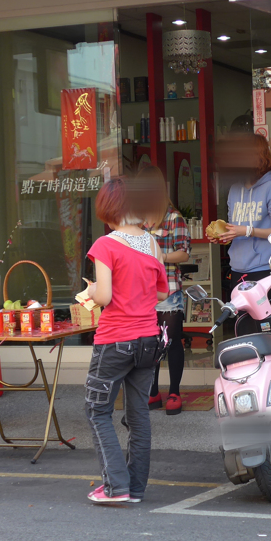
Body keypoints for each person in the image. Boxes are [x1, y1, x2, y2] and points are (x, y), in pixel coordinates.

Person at [83, 176, 168, 504]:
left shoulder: (105, 245)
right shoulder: (152, 244)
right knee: (138, 415)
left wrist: (91, 290)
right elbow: (162, 292)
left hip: (115, 340)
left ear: (108, 208)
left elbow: (103, 295)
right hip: (148, 340)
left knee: (97, 411)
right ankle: (134, 488)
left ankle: (116, 486)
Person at [139, 165, 191, 415]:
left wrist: (159, 257)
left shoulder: (173, 217)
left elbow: (184, 253)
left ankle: (174, 392)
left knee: (172, 343)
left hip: (169, 292)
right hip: (143, 292)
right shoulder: (136, 220)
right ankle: (152, 392)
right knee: (150, 343)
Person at [211, 133, 271, 288]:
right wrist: (223, 236)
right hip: (237, 269)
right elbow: (235, 229)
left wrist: (248, 231)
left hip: (264, 269)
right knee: (239, 314)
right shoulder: (234, 190)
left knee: (264, 313)